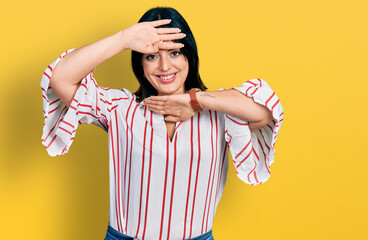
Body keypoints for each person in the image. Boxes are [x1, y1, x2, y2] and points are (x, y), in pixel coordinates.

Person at [41, 6, 283, 240]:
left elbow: (265, 112)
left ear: (190, 55)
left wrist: (195, 100)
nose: (165, 66)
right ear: (140, 63)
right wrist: (124, 38)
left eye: (175, 53)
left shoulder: (219, 111)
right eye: (152, 56)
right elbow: (61, 78)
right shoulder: (120, 107)